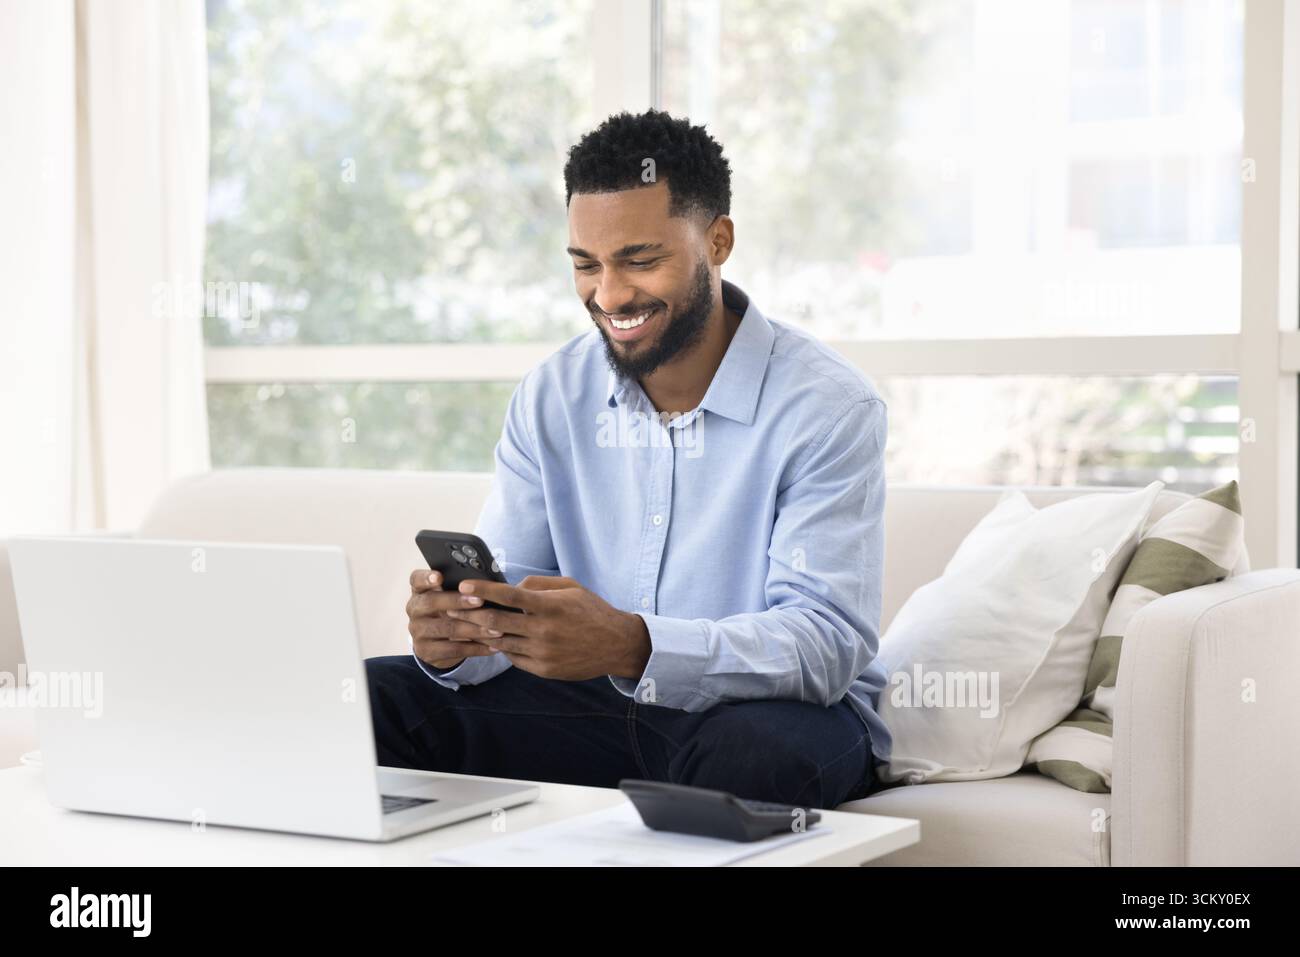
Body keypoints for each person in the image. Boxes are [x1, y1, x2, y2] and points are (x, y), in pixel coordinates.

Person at [366, 109, 891, 808]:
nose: (609, 295)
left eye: (640, 261)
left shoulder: (826, 406)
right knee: (368, 702)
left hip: (769, 715)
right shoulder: (553, 393)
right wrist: (458, 640)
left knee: (751, 758)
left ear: (718, 240)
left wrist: (635, 645)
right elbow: (510, 595)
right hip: (596, 712)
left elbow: (823, 646)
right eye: (587, 265)